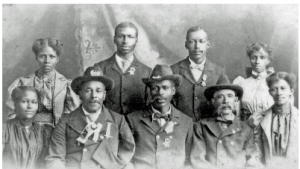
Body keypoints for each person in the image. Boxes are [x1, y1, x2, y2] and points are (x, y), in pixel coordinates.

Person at [46, 66, 135, 169]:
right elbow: (55, 157)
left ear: (104, 95)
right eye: (88, 90)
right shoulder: (65, 121)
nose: (94, 96)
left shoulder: (118, 120)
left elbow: (127, 150)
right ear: (80, 94)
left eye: (98, 91)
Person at [126, 65, 194, 169]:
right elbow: (126, 157)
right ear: (150, 92)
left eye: (165, 88)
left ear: (173, 91)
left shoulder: (186, 122)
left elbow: (189, 160)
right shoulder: (132, 119)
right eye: (155, 88)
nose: (160, 93)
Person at [6, 37, 80, 126]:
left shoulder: (65, 85)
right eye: (42, 56)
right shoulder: (23, 83)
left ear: (57, 59)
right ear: (36, 58)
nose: (47, 61)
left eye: (52, 57)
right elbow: (13, 113)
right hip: (28, 131)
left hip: (56, 132)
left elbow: (71, 115)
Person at [191, 82, 262, 169]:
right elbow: (198, 160)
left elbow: (252, 161)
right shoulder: (201, 126)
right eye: (220, 97)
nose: (226, 101)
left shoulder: (246, 129)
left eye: (230, 96)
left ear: (235, 100)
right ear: (213, 101)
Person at [171, 26, 229, 121]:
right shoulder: (173, 70)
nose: (197, 46)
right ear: (186, 45)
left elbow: (227, 103)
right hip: (180, 128)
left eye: (201, 41)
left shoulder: (219, 72)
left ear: (208, 44)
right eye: (192, 41)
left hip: (209, 130)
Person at [94, 22, 151, 115]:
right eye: (121, 36)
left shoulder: (146, 71)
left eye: (130, 37)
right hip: (108, 125)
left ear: (136, 40)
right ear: (114, 39)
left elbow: (149, 106)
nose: (125, 41)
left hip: (136, 127)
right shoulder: (100, 68)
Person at [252, 72, 298, 168]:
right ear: (269, 92)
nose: (279, 93)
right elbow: (257, 152)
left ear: (291, 91)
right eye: (274, 89)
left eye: (283, 88)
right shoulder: (260, 119)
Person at [3, 86, 53, 169]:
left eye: (34, 102)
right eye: (24, 101)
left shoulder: (45, 131)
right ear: (15, 104)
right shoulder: (5, 129)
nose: (30, 106)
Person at [233, 43, 274, 122]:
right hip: (246, 127)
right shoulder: (241, 83)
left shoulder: (274, 83)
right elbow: (236, 116)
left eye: (262, 57)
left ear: (268, 60)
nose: (257, 61)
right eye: (253, 58)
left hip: (269, 127)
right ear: (249, 59)